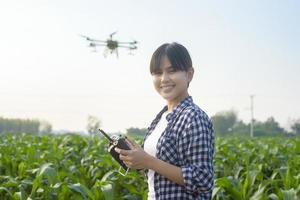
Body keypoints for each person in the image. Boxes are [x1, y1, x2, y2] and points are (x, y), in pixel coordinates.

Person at [115, 42, 214, 199]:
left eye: (172, 71)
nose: (164, 79)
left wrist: (148, 161)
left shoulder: (193, 117)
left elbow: (202, 180)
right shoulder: (161, 118)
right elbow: (158, 173)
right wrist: (136, 158)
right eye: (157, 73)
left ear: (189, 74)